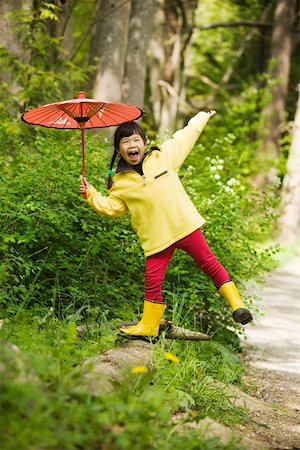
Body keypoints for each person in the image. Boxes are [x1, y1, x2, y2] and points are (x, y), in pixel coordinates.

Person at [80, 111, 253, 337]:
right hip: (156, 238)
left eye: (136, 140)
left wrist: (202, 117)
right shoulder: (119, 182)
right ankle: (150, 326)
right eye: (125, 142)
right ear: (118, 149)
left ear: (144, 143)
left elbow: (186, 135)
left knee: (209, 263)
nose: (132, 145)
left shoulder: (164, 157)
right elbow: (112, 208)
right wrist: (90, 193)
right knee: (152, 281)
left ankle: (237, 305)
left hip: (184, 225)